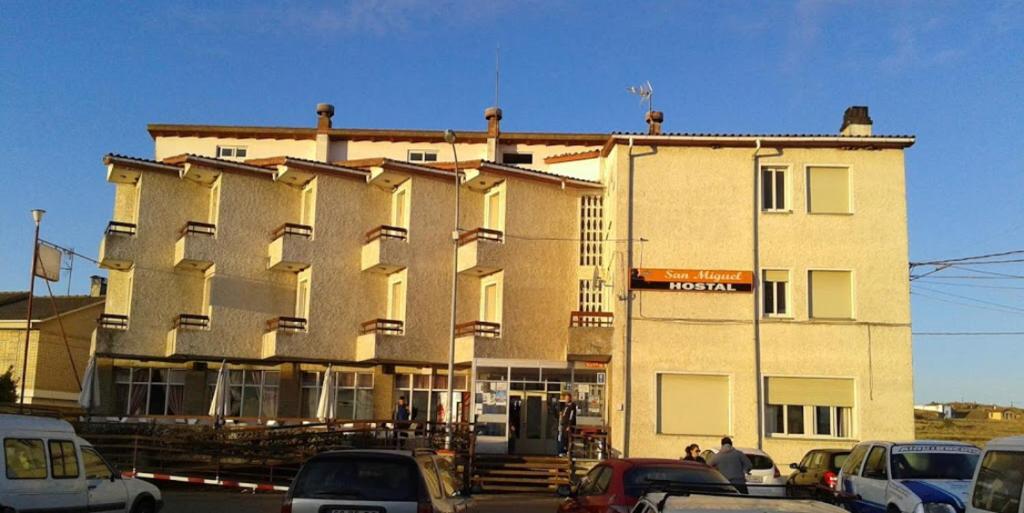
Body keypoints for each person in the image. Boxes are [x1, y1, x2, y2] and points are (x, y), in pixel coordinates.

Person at [557, 392, 577, 457]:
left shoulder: (572, 406)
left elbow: (571, 416)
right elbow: (564, 414)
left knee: (567, 439)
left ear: (570, 398)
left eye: (567, 398)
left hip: (568, 425)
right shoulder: (566, 406)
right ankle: (563, 451)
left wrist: (569, 425)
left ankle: (568, 451)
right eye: (565, 398)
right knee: (563, 438)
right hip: (564, 425)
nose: (566, 399)